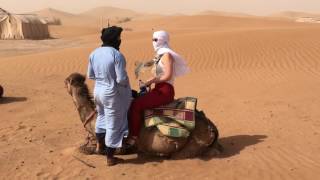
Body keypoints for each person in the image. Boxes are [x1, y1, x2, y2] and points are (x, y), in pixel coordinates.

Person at [127, 30, 190, 146]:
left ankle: (134, 136)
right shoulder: (159, 56)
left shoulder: (167, 55)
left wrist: (153, 80)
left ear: (163, 40)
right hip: (158, 89)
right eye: (152, 39)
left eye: (156, 39)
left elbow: (168, 75)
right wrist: (149, 83)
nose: (153, 42)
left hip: (165, 91)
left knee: (136, 104)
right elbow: (161, 75)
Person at [87, 26, 132, 166]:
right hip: (111, 93)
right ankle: (110, 158)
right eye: (119, 37)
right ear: (114, 39)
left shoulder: (94, 53)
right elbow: (122, 79)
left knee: (101, 118)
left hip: (98, 92)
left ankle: (101, 148)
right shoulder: (116, 55)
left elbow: (91, 75)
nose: (120, 40)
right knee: (113, 123)